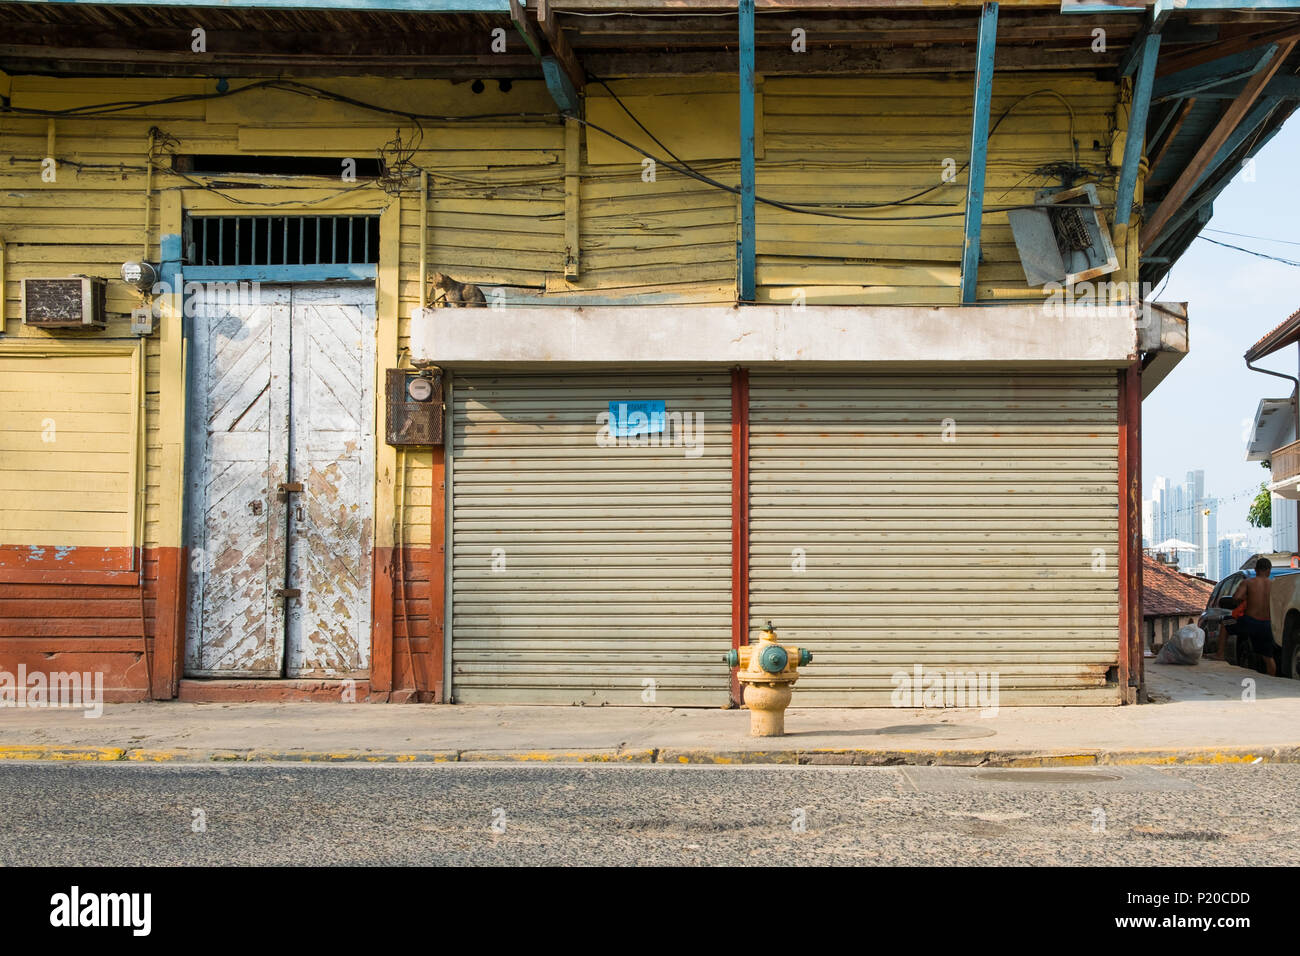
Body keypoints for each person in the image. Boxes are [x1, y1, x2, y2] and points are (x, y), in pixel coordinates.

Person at [1231, 558, 1278, 676]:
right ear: (1269, 571)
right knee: (1268, 656)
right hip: (1267, 624)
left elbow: (1237, 597)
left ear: (1256, 570)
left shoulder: (1248, 582)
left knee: (1225, 623)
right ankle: (1271, 678)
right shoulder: (1274, 585)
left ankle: (1220, 654)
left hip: (1249, 621)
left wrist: (1245, 601)